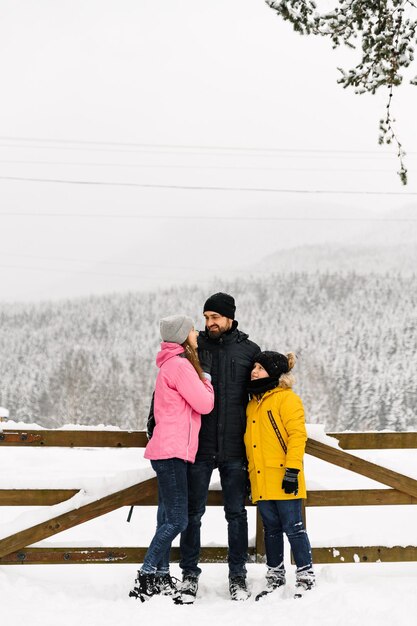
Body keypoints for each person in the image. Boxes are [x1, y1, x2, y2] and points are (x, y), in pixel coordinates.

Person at [178, 292, 260, 603]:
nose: (209, 323)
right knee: (192, 512)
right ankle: (189, 574)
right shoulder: (193, 347)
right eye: (206, 317)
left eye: (215, 317)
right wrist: (154, 420)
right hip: (199, 444)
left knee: (236, 514)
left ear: (229, 318)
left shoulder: (249, 351)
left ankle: (237, 576)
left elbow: (262, 390)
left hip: (236, 447)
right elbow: (170, 384)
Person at [129, 314, 214, 603]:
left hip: (169, 450)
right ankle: (146, 572)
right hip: (172, 451)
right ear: (182, 335)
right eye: (192, 329)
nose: (196, 332)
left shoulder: (171, 363)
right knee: (178, 520)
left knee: (166, 515)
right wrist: (206, 380)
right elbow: (204, 404)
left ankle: (161, 575)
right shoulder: (180, 366)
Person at [244, 350, 315, 600]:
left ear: (273, 372)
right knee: (271, 530)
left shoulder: (287, 399)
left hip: (285, 478)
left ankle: (305, 575)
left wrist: (292, 471)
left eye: (260, 368)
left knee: (294, 528)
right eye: (254, 366)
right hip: (261, 479)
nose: (254, 371)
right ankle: (275, 575)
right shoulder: (253, 403)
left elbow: (297, 436)